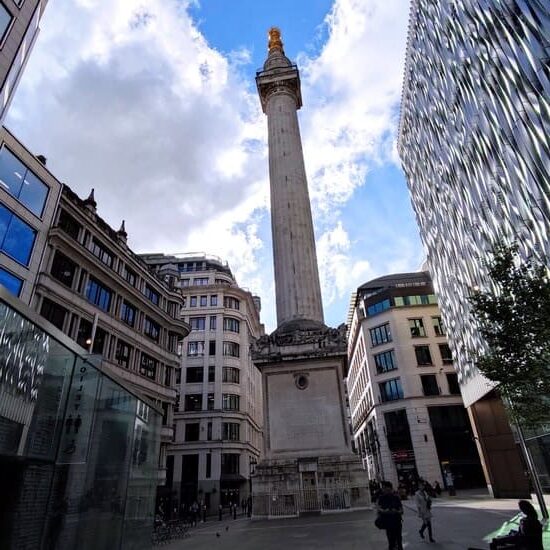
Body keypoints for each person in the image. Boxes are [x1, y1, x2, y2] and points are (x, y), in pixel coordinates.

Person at [376, 481, 403, 550]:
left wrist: (396, 511)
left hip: (397, 522)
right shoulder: (381, 498)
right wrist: (384, 511)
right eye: (383, 488)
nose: (383, 490)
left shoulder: (396, 497)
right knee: (391, 542)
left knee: (399, 541)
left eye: (385, 488)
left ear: (390, 488)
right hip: (388, 524)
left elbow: (401, 510)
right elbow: (379, 509)